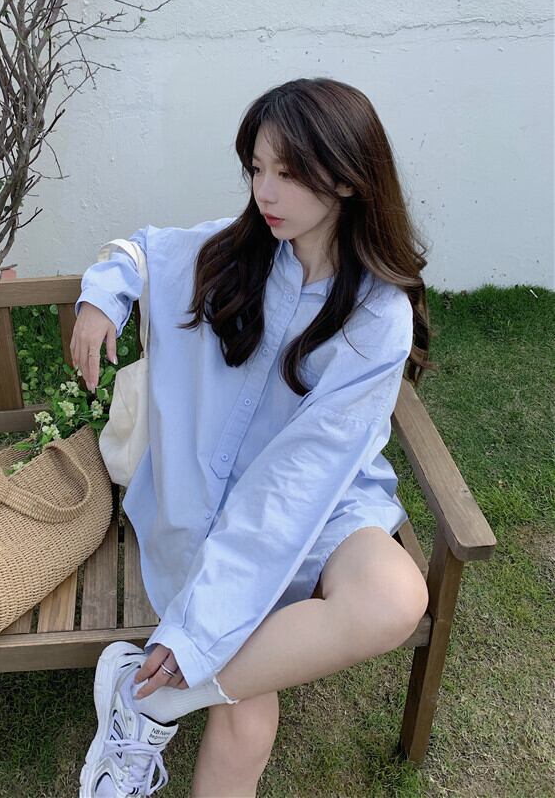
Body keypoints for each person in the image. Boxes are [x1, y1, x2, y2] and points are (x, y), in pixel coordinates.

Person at [75, 77, 433, 798]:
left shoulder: (376, 317)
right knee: (248, 717)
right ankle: (155, 701)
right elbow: (142, 251)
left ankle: (147, 702)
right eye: (256, 168)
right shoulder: (238, 251)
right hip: (208, 502)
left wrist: (198, 633)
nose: (264, 192)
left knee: (395, 597)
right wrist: (102, 300)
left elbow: (301, 481)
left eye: (287, 172)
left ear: (347, 177)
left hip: (323, 502)